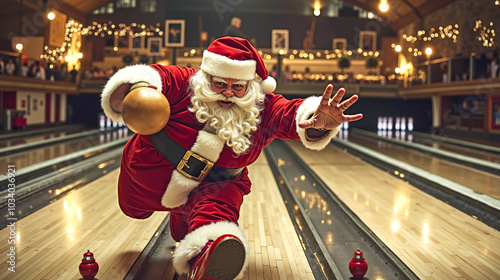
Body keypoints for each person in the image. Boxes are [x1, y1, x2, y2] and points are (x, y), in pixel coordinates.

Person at [100, 37, 363, 280]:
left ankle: (210, 254)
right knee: (133, 210)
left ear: (250, 87)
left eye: (237, 87)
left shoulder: (264, 108)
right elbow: (155, 76)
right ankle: (184, 219)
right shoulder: (185, 83)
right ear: (207, 77)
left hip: (215, 185)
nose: (227, 92)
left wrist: (317, 120)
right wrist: (137, 88)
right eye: (220, 84)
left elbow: (291, 114)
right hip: (147, 177)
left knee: (217, 212)